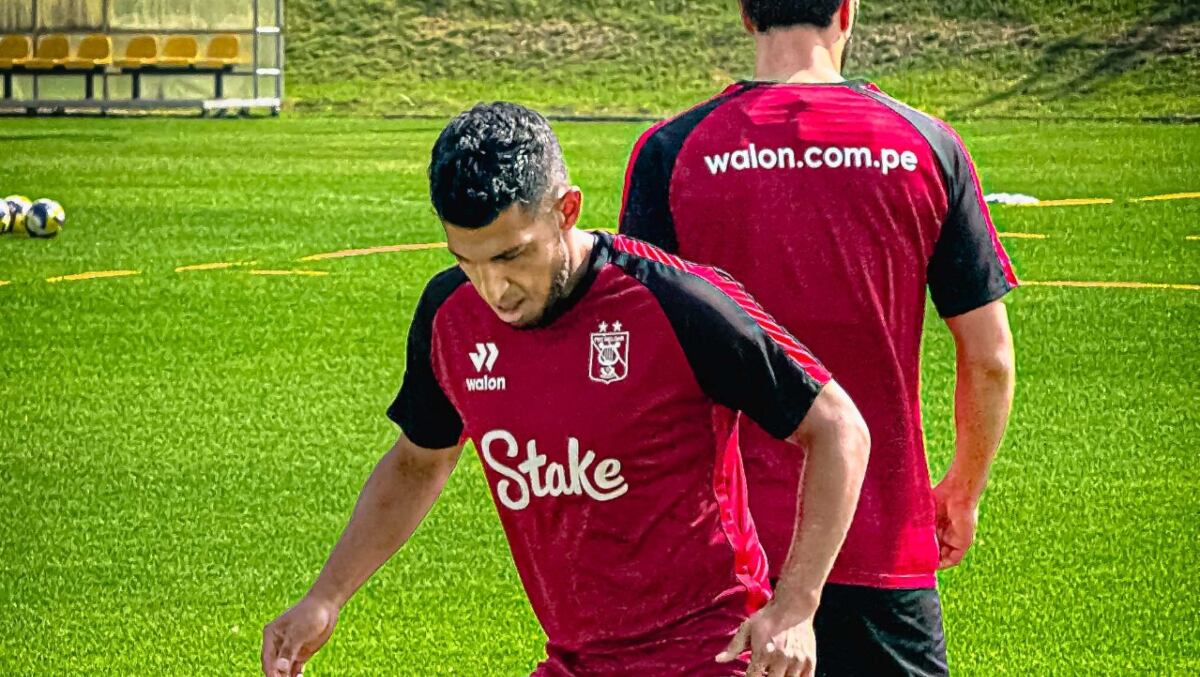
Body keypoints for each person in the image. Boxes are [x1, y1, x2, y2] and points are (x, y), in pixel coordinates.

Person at [262, 101, 870, 677]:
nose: (494, 289)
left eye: (512, 256)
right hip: (577, 659)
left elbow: (838, 427)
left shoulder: (676, 301)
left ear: (567, 209)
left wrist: (797, 605)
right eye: (469, 262)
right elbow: (420, 461)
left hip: (709, 650)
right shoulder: (449, 315)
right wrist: (326, 596)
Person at [619, 1, 1018, 674]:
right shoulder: (925, 144)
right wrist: (963, 488)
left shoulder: (673, 150)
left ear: (746, 15)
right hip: (881, 536)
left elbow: (638, 360)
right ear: (847, 11)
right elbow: (990, 357)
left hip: (725, 548)